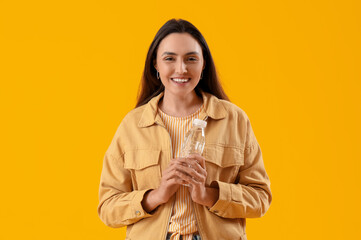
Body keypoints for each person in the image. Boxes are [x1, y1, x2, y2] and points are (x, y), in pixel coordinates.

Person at [97, 18, 272, 240]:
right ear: (155, 64)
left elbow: (260, 197)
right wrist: (157, 195)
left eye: (191, 59)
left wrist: (209, 195)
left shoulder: (234, 120)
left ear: (203, 64)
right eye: (169, 58)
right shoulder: (133, 125)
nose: (181, 68)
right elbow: (107, 207)